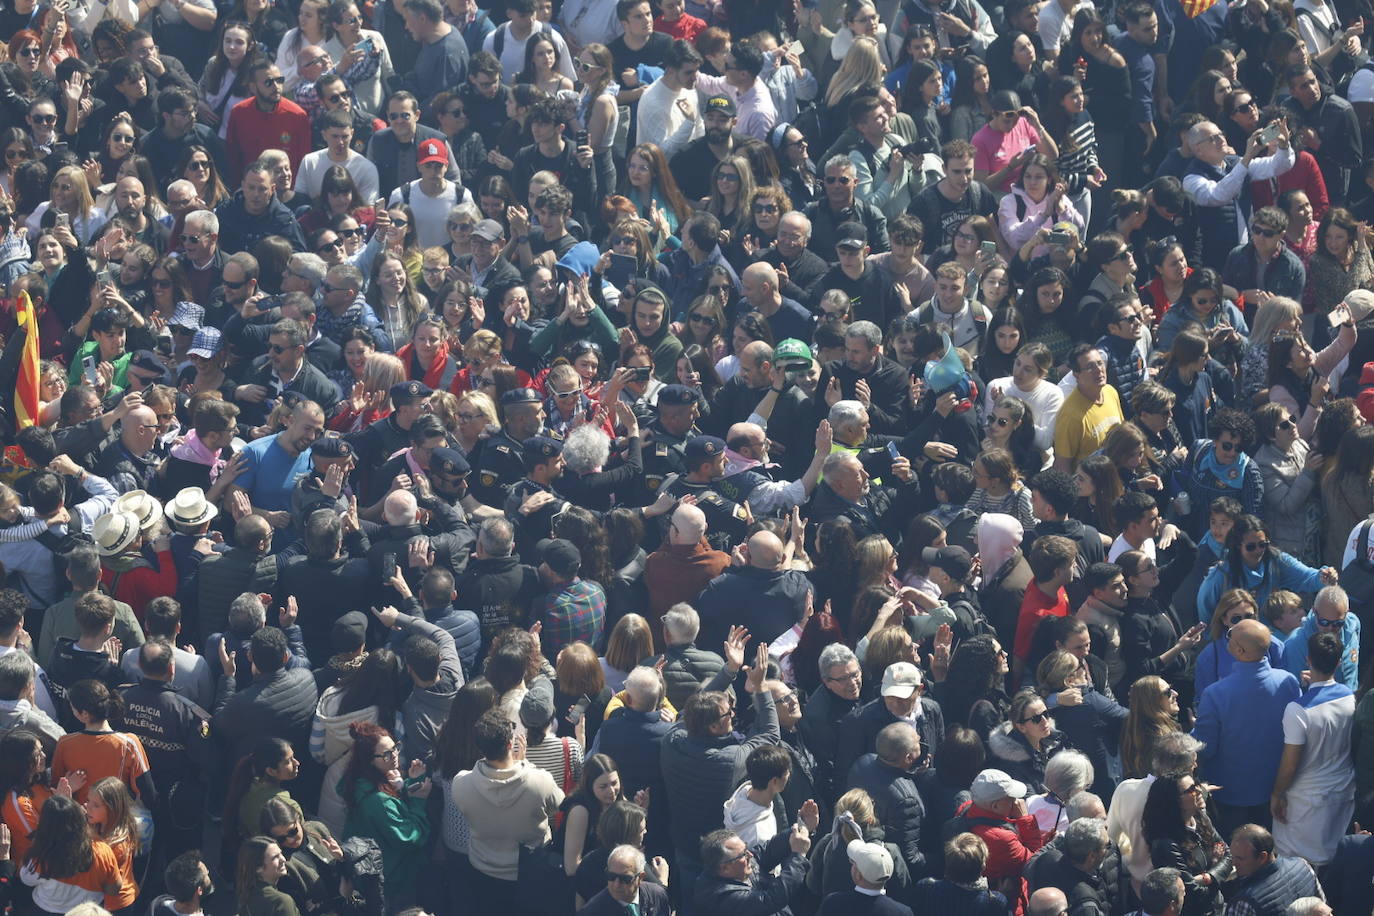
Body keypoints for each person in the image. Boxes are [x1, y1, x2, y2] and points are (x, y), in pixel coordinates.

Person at [1193, 619, 1301, 836]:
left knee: (1234, 859)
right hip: (1275, 790)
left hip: (1229, 795)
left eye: (1230, 637)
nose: (1227, 638)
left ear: (1240, 650)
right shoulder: (1288, 682)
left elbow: (1206, 747)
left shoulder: (1215, 694)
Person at [451, 707, 564, 912]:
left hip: (482, 872)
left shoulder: (460, 784)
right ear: (510, 743)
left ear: (480, 748)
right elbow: (559, 805)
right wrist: (525, 764)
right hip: (530, 872)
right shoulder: (540, 781)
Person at [1270, 630, 1355, 866]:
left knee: (1296, 868)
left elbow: (1289, 763)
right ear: (1338, 663)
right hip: (1342, 793)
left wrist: (1277, 794)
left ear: (1308, 659)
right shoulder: (1350, 697)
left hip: (1304, 803)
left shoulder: (1297, 710)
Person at [1225, 824, 1322, 916]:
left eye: (1240, 858)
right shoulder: (1303, 865)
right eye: (1232, 856)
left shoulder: (1246, 902)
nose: (1234, 863)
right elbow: (1322, 906)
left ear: (1262, 857)